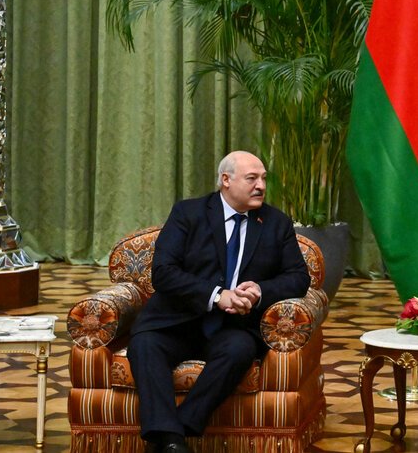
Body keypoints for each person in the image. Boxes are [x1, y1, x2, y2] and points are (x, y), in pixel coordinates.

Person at [129, 151, 310, 453]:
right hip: (176, 320)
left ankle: (176, 432)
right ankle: (170, 441)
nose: (261, 186)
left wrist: (259, 291)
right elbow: (163, 272)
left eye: (263, 178)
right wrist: (216, 295)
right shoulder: (188, 213)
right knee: (145, 345)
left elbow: (298, 278)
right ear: (226, 180)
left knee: (239, 350)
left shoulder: (276, 222)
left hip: (234, 327)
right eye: (252, 178)